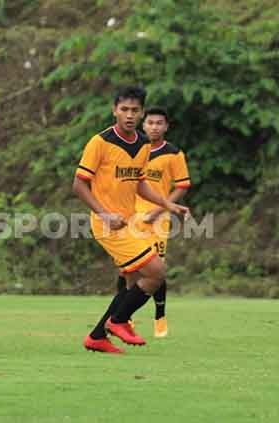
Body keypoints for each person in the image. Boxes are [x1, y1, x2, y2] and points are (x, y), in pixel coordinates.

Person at [73, 87, 188, 354]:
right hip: (107, 225)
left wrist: (168, 204)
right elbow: (79, 185)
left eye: (135, 110)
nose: (129, 115)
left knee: (133, 283)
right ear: (114, 110)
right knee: (156, 272)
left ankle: (97, 336)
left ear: (142, 113)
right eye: (124, 109)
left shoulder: (143, 144)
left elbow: (140, 185)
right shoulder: (99, 142)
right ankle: (119, 321)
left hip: (129, 223)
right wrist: (104, 214)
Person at [130, 107, 190, 337]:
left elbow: (182, 185)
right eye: (150, 123)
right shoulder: (133, 149)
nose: (154, 127)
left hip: (157, 220)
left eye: (159, 123)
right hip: (130, 217)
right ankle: (126, 318)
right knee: (127, 269)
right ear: (143, 125)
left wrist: (160, 209)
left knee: (157, 269)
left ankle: (159, 315)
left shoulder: (173, 154)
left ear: (166, 126)